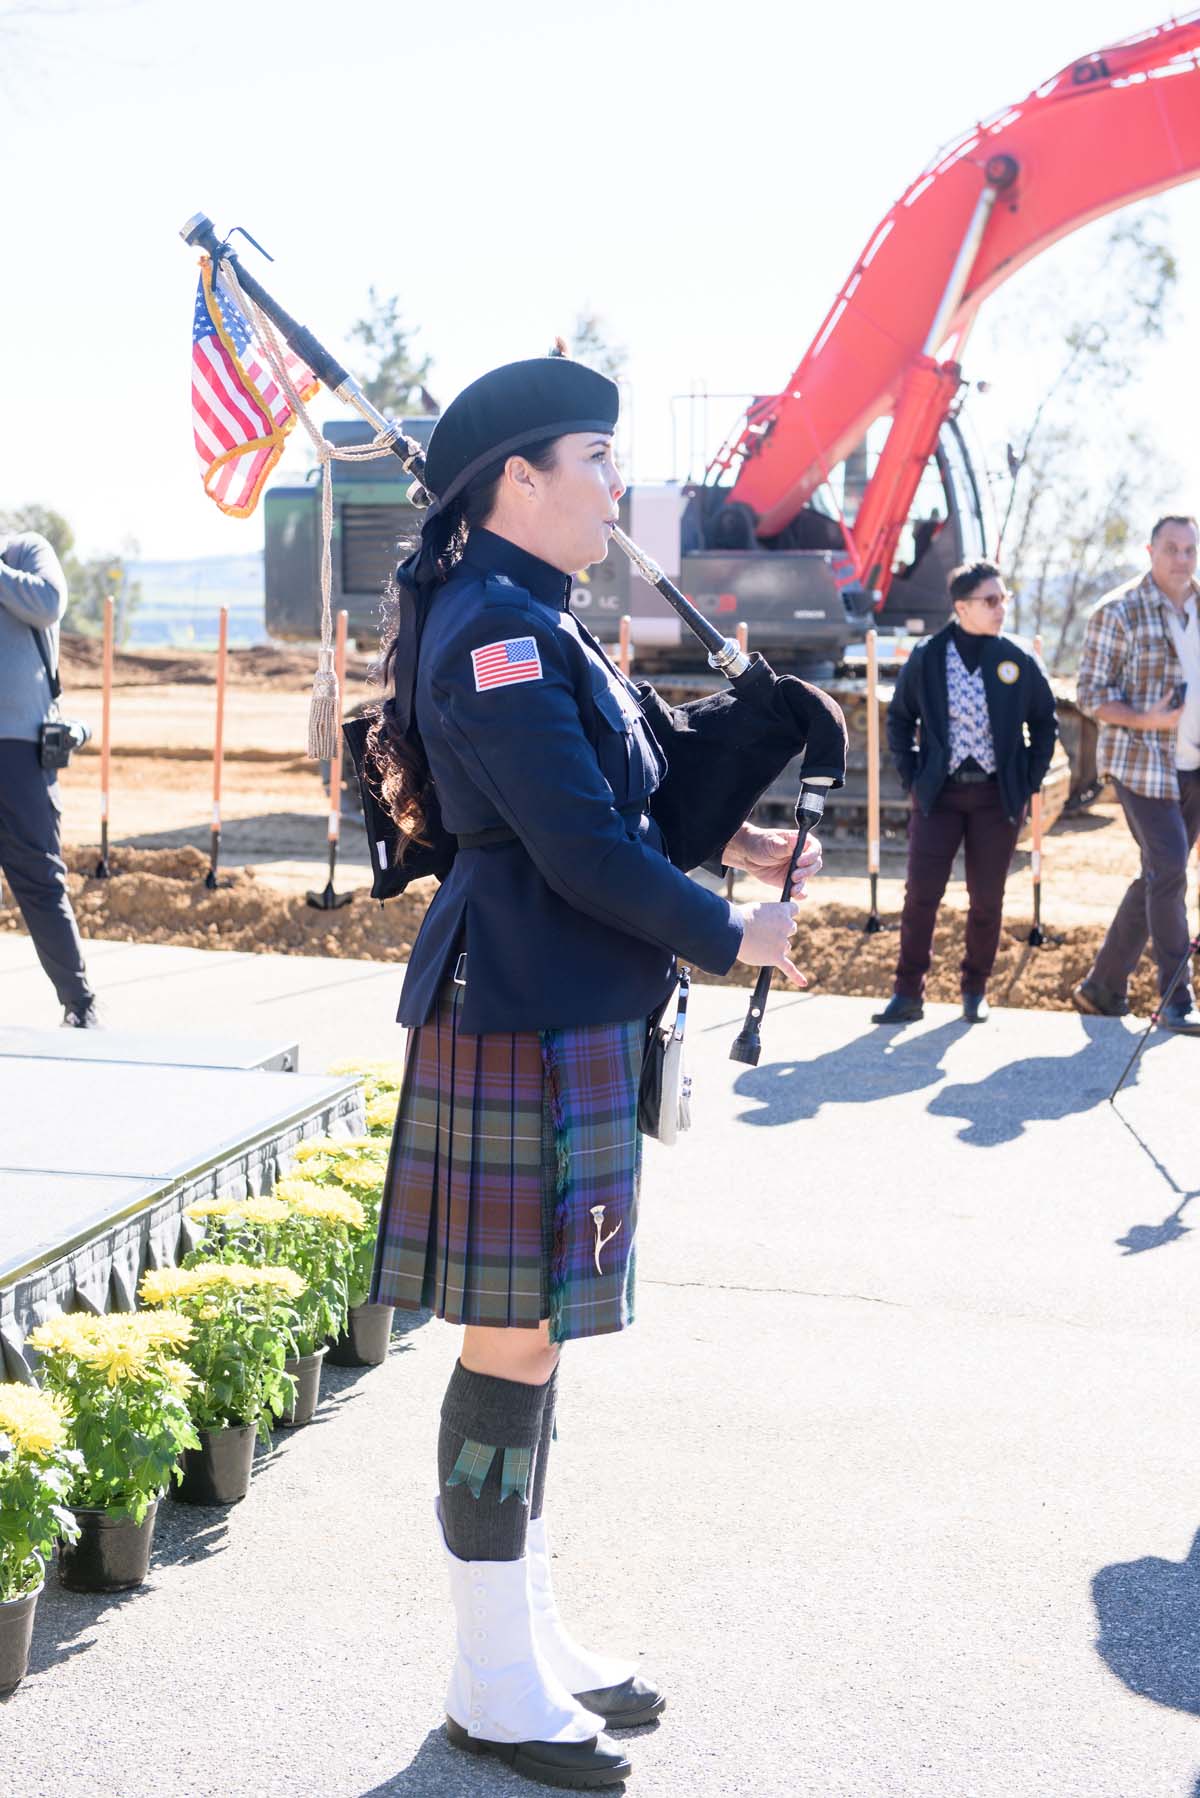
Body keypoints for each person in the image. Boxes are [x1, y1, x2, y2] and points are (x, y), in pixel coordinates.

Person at [366, 355, 829, 1789]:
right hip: (522, 1006)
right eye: (598, 456)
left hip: (558, 1001)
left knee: (538, 1339)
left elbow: (619, 797)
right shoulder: (495, 634)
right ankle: (488, 1678)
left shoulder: (537, 618)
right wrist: (733, 933)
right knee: (512, 1340)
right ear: (520, 477)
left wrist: (740, 834)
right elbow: (574, 847)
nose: (620, 482)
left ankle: (524, 1637)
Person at [873, 558, 1057, 1026]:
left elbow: (1045, 722)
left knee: (987, 899)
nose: (1001, 608)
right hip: (939, 797)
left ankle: (975, 989)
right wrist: (913, 779)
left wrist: (1028, 781)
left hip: (997, 799)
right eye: (990, 600)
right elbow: (899, 720)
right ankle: (907, 992)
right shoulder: (929, 656)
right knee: (921, 895)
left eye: (1004, 598)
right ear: (961, 607)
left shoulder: (1017, 658)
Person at [1073, 514, 1200, 1031]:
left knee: (1159, 873)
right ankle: (1176, 998)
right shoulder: (1119, 611)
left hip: (1195, 766)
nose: (1182, 559)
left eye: (1190, 549)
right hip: (1142, 765)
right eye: (1171, 548)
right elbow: (1089, 694)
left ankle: (1102, 987)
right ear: (1150, 551)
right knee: (1169, 869)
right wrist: (1147, 719)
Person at [0, 529, 97, 1028]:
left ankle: (79, 1005)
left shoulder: (25, 550)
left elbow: (49, 603)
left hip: (18, 749)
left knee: (39, 879)